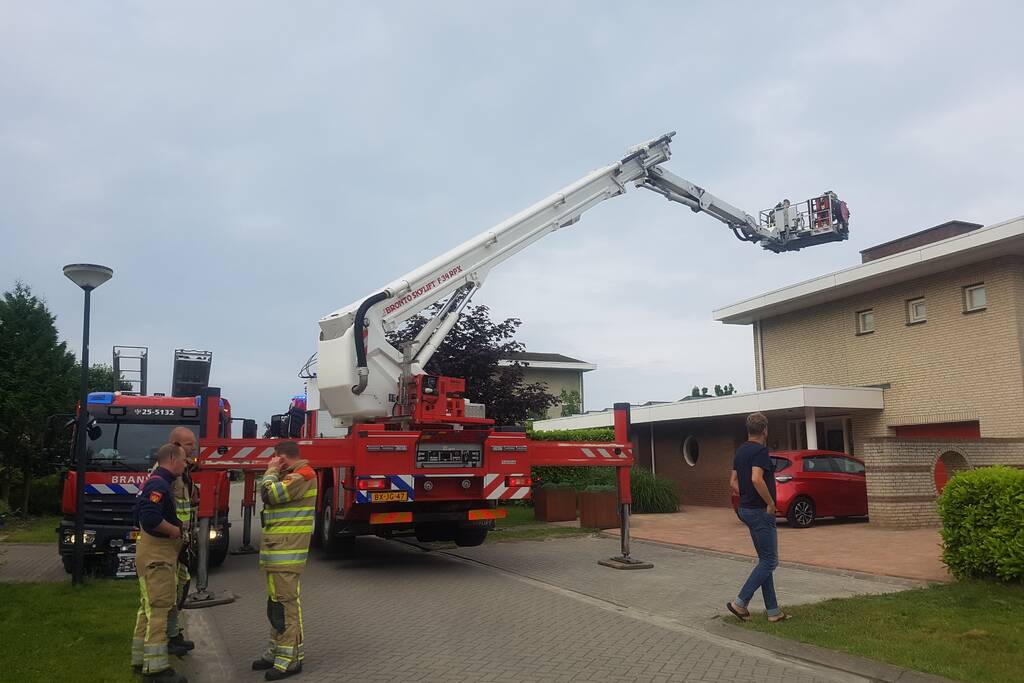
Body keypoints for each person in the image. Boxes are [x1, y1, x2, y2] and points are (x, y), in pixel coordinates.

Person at [252, 441, 317, 680]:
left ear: (281, 457)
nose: (272, 463)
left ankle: (290, 660)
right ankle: (275, 652)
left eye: (274, 459)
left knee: (286, 606)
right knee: (276, 605)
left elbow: (268, 494)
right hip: (277, 551)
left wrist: (270, 471)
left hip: (286, 552)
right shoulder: (290, 475)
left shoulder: (303, 475)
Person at [131, 443, 190, 683]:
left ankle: (140, 660)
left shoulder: (155, 481)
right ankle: (156, 670)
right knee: (159, 610)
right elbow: (149, 517)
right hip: (157, 556)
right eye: (184, 460)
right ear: (172, 458)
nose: (186, 464)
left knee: (147, 609)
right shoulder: (159, 484)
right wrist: (174, 531)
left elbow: (137, 514)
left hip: (153, 554)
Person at [727, 412, 790, 623]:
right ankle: (740, 603)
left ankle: (773, 611)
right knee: (770, 560)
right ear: (765, 430)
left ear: (748, 430)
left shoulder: (740, 451)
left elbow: (733, 481)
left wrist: (746, 495)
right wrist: (770, 503)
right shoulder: (760, 451)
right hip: (760, 511)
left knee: (765, 561)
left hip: (746, 509)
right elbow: (756, 478)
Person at [165, 426, 199, 655]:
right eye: (189, 445)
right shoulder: (166, 472)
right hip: (169, 542)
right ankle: (168, 637)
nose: (193, 449)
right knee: (169, 591)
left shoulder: (183, 471)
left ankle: (174, 633)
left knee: (181, 585)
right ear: (176, 445)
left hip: (181, 541)